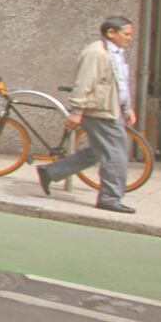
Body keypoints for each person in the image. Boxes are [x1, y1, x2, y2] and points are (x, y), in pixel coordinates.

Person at [36, 16, 137, 213]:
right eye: (126, 34)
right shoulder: (97, 53)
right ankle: (109, 198)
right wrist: (77, 111)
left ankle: (51, 171)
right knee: (116, 154)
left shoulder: (114, 52)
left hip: (110, 108)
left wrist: (127, 107)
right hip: (100, 111)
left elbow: (119, 83)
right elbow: (84, 83)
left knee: (99, 151)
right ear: (111, 33)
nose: (129, 38)